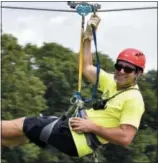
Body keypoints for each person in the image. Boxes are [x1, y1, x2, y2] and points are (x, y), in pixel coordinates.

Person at [1, 14, 146, 158]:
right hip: (73, 130)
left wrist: (91, 127)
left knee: (23, 124)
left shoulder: (134, 99)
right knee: (21, 134)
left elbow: (125, 138)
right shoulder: (111, 81)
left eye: (128, 69)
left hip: (77, 137)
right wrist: (88, 37)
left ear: (138, 73)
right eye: (119, 66)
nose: (121, 71)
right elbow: (87, 67)